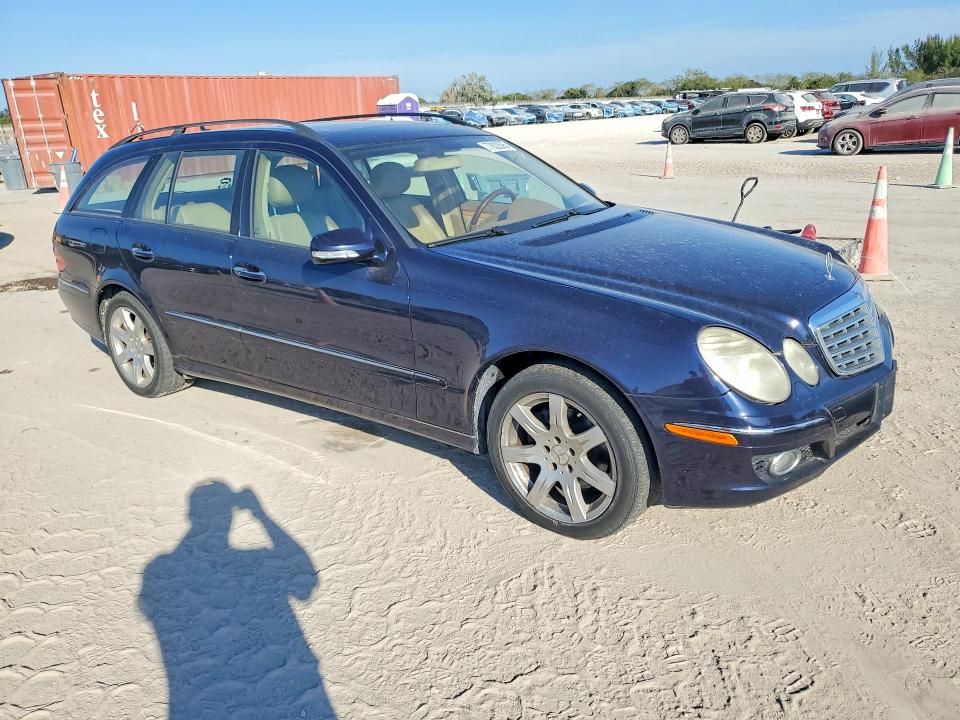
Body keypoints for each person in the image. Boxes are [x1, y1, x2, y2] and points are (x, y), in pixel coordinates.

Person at [139, 480, 335, 719]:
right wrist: (261, 514)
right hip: (273, 693)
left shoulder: (160, 570)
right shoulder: (252, 563)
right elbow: (305, 582)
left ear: (191, 515)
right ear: (230, 517)